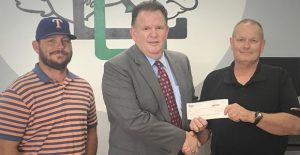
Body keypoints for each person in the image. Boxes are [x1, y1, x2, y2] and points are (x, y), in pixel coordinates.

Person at [102, 1, 200, 155]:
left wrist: (197, 125)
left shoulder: (181, 60)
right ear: (134, 33)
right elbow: (133, 120)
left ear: (166, 31)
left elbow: (190, 103)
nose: (153, 34)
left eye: (159, 28)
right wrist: (182, 138)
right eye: (146, 28)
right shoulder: (116, 68)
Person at [189, 18, 300, 155]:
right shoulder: (213, 79)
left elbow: (296, 125)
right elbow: (204, 134)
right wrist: (198, 131)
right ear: (231, 43)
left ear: (262, 45)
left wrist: (253, 116)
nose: (246, 46)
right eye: (241, 40)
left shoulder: (279, 77)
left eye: (253, 41)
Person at [0, 17, 98, 155]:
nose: (60, 47)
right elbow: (5, 149)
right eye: (51, 41)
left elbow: (91, 132)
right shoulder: (18, 93)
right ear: (36, 46)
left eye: (65, 41)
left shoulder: (84, 87)